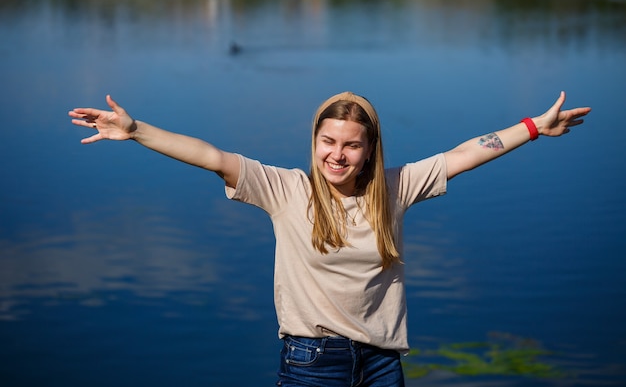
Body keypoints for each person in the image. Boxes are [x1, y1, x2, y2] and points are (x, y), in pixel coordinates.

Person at [69, 91, 590, 386]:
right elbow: (211, 155)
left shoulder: (395, 187)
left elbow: (467, 152)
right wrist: (135, 130)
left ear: (370, 150)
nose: (337, 155)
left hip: (384, 362)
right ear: (314, 141)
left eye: (351, 146)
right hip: (312, 361)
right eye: (328, 142)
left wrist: (534, 127)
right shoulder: (286, 190)